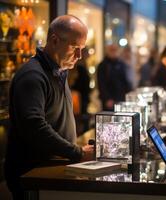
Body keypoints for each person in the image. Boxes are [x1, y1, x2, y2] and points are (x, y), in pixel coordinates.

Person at [4, 15, 94, 199]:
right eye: (75, 48)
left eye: (82, 50)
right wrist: (76, 153)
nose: (79, 56)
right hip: (33, 176)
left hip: (52, 169)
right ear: (54, 40)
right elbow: (34, 126)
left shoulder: (58, 71)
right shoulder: (33, 75)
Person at [97, 43, 133, 111]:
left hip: (121, 98)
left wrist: (129, 95)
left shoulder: (121, 64)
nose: (113, 52)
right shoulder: (102, 65)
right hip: (109, 100)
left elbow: (125, 81)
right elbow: (101, 84)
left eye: (115, 50)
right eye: (111, 50)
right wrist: (107, 99)